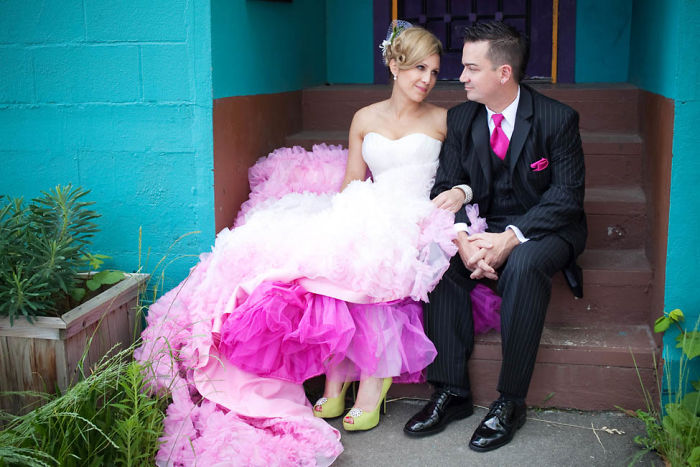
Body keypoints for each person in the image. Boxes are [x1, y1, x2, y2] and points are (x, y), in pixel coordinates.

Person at [136, 23, 495, 465]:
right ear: (394, 64)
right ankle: (337, 372)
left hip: (416, 215)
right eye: (419, 67)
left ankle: (371, 376)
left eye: (434, 71)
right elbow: (351, 182)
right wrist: (338, 220)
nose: (426, 79)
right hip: (370, 206)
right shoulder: (365, 118)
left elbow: (466, 176)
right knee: (330, 259)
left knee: (379, 262)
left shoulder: (445, 119)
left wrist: (460, 194)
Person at [403, 21, 587, 453]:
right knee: (439, 256)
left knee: (523, 265)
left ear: (503, 73)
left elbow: (566, 198)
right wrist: (464, 238)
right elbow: (446, 184)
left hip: (545, 227)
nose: (460, 76)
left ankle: (510, 402)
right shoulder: (462, 117)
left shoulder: (556, 119)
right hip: (482, 227)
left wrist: (510, 239)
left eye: (470, 68)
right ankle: (452, 391)